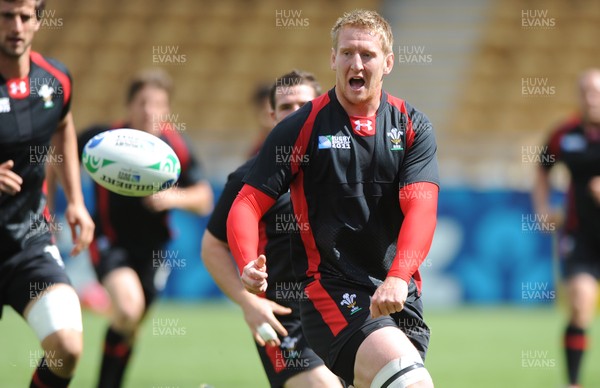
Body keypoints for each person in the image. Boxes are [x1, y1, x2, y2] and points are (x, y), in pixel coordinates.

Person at [227, 9, 438, 388]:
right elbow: (246, 203)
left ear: (387, 63)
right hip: (332, 292)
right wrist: (246, 263)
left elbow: (421, 209)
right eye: (347, 53)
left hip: (398, 293)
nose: (355, 63)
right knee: (411, 383)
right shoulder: (301, 126)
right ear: (333, 59)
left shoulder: (411, 126)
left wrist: (398, 276)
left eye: (367, 55)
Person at [202, 70, 342, 387]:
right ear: (271, 115)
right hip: (283, 319)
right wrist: (249, 302)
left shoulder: (343, 168)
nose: (295, 114)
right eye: (286, 108)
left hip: (341, 310)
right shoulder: (249, 178)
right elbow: (212, 246)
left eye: (303, 106)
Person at [77, 68, 213, 388]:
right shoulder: (104, 140)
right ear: (129, 106)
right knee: (128, 308)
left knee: (130, 324)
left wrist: (172, 197)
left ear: (167, 110)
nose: (150, 110)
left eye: (158, 103)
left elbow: (204, 199)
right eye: (143, 102)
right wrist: (71, 200)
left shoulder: (174, 150)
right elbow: (61, 148)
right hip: (111, 242)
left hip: (154, 252)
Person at [0, 0, 95, 386]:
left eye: (25, 17)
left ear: (38, 21)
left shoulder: (54, 80)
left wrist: (74, 200)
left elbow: (64, 126)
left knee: (67, 348)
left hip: (27, 241)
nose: (16, 26)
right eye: (6, 16)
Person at [532, 68, 600, 388]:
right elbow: (542, 168)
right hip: (580, 236)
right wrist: (543, 208)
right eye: (586, 92)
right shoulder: (565, 134)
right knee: (580, 305)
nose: (592, 98)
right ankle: (574, 383)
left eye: (597, 92)